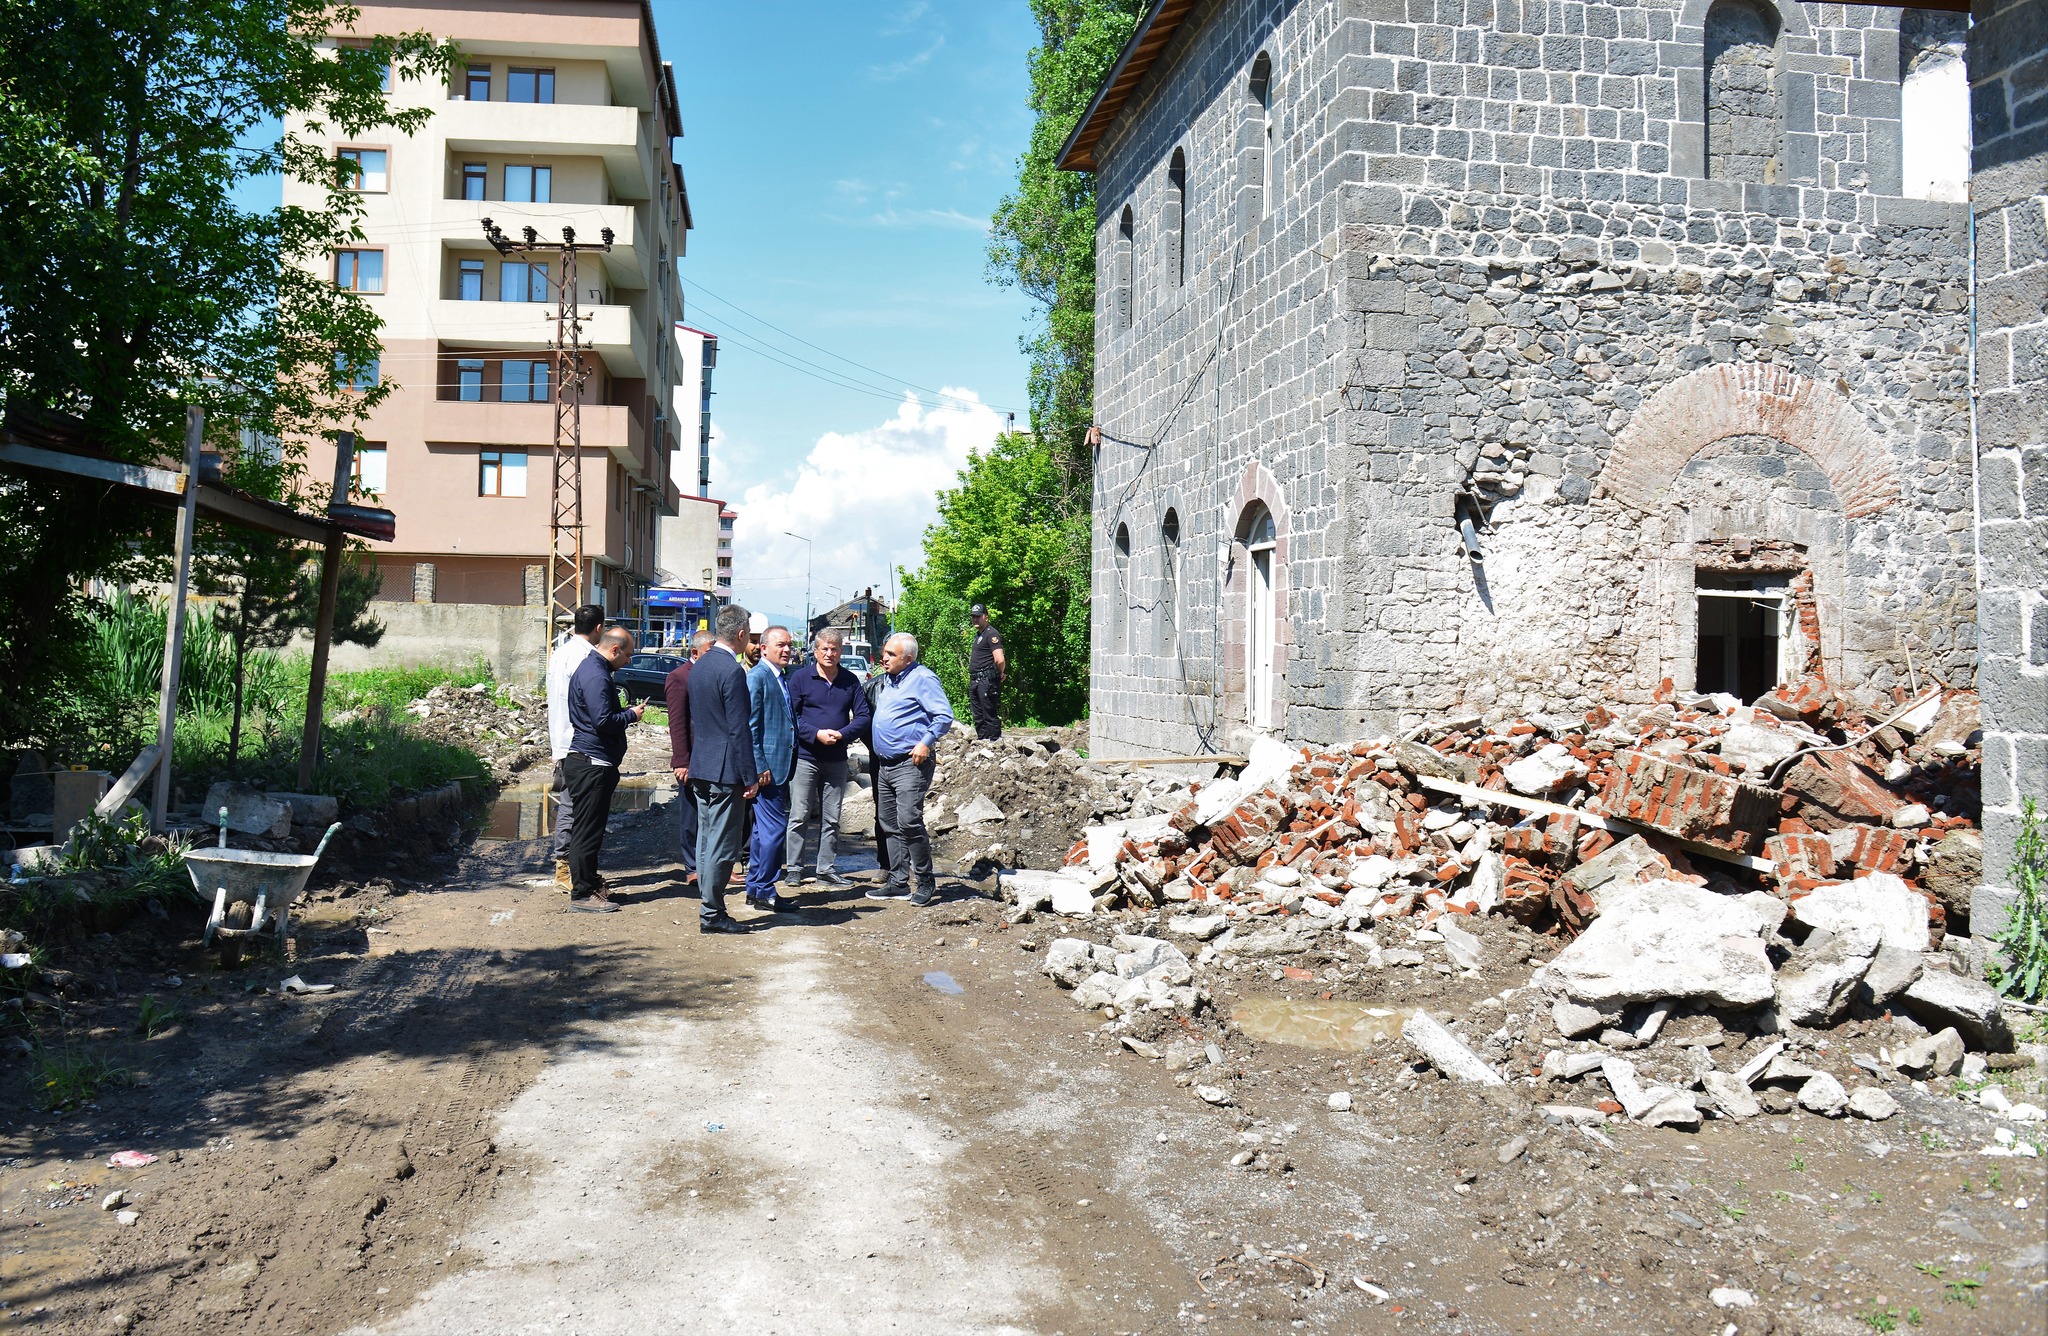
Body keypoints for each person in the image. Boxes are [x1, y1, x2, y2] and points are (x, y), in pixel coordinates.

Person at [866, 632, 954, 906]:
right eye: (885, 652)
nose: (884, 657)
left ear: (908, 658)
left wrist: (926, 742)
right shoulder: (889, 681)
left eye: (891, 654)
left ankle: (925, 881)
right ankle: (897, 881)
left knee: (909, 821)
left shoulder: (923, 678)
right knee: (888, 823)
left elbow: (943, 715)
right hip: (885, 764)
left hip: (910, 763)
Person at [562, 626, 646, 912]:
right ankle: (582, 893)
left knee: (590, 830)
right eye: (628, 654)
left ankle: (590, 883)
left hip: (591, 761)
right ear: (614, 649)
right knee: (587, 831)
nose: (629, 661)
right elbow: (603, 721)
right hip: (592, 763)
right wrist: (630, 715)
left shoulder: (592, 669)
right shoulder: (597, 674)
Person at [782, 627, 872, 890]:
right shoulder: (800, 679)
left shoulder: (850, 681)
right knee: (799, 814)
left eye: (834, 649)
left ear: (841, 651)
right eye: (825, 649)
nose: (830, 653)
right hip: (805, 758)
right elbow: (791, 717)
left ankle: (826, 869)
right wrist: (816, 734)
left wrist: (843, 735)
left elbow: (864, 716)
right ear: (816, 650)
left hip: (836, 759)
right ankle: (795, 868)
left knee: (832, 818)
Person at [686, 605, 757, 933]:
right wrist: (750, 776)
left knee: (705, 840)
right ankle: (712, 914)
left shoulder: (700, 665)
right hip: (726, 771)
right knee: (723, 846)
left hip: (702, 765)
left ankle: (708, 906)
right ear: (741, 634)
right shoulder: (731, 671)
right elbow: (738, 728)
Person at [545, 604, 606, 890]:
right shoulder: (586, 658)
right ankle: (565, 870)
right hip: (577, 742)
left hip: (563, 738)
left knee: (572, 805)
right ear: (598, 628)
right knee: (573, 807)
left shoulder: (560, 653)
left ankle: (571, 869)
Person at [744, 625, 798, 911]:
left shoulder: (779, 677)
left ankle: (755, 888)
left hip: (779, 766)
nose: (787, 649)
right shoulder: (758, 677)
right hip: (767, 769)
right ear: (763, 648)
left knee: (761, 832)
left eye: (789, 644)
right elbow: (750, 727)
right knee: (775, 830)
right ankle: (765, 889)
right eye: (780, 645)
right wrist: (759, 765)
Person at [663, 629, 716, 882]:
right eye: (709, 653)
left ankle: (711, 864)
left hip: (713, 755)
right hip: (692, 756)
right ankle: (692, 866)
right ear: (695, 652)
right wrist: (681, 760)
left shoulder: (713, 674)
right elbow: (678, 722)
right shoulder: (679, 677)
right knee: (691, 814)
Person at [968, 603, 1007, 741]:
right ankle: (982, 743)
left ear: (986, 617)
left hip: (986, 679)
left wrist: (1000, 672)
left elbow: (999, 659)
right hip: (975, 680)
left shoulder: (991, 634)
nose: (975, 619)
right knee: (978, 715)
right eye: (973, 616)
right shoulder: (979, 635)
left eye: (978, 616)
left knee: (989, 713)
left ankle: (995, 743)